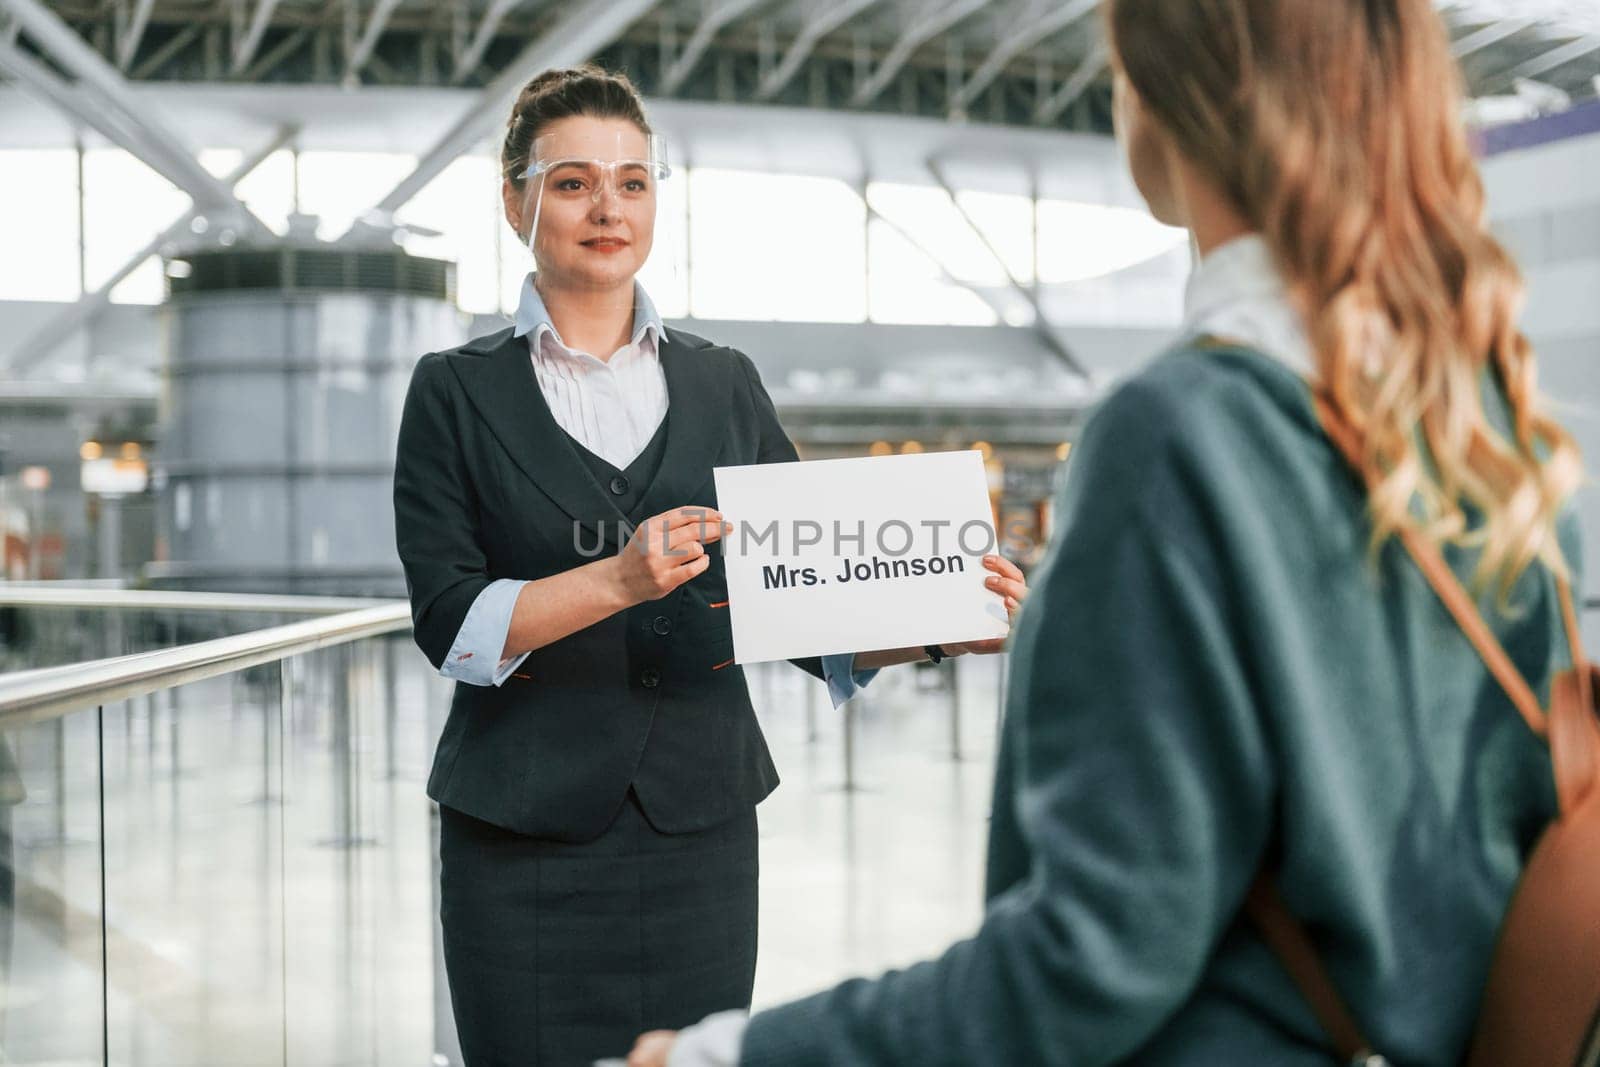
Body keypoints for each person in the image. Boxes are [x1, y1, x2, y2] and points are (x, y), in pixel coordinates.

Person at [632, 1, 1590, 1063]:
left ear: (1162, 106)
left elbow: (1086, 963)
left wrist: (727, 1054)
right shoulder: (1493, 426)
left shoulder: (1180, 431)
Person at [391, 65, 1026, 1067]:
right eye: (573, 181)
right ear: (516, 200)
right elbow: (451, 625)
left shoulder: (724, 383)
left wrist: (944, 620)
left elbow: (807, 607)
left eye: (634, 181)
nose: (608, 206)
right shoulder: (452, 394)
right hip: (518, 842)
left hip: (700, 831)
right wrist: (618, 581)